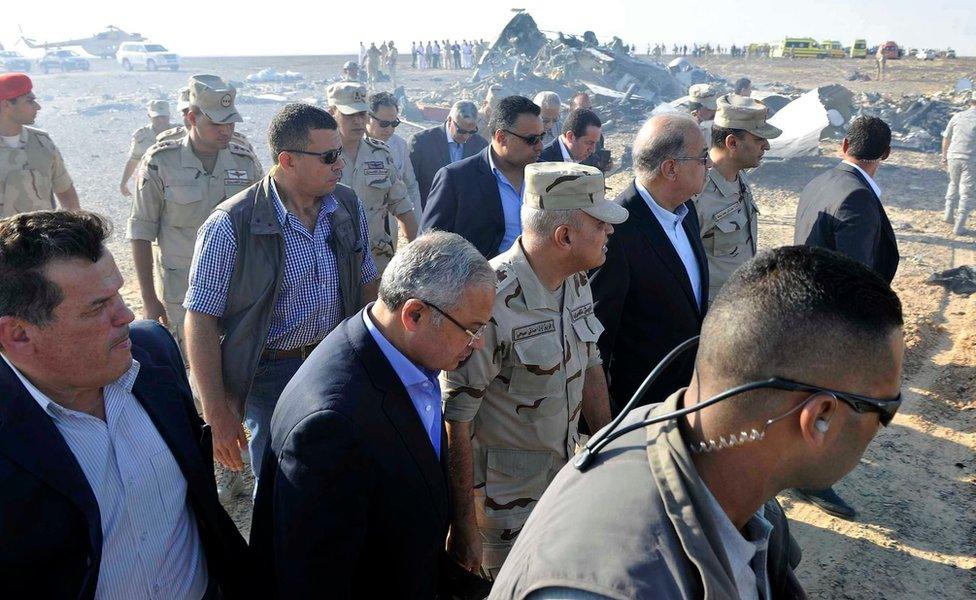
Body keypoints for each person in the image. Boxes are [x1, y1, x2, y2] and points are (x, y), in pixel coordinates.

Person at [490, 245, 905, 600]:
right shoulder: (612, 584)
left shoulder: (710, 461)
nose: (882, 427)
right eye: (884, 409)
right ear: (819, 417)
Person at [0, 210, 250, 599]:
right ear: (17, 335)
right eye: (97, 307)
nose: (126, 315)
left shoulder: (152, 352)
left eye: (118, 293)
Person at [250, 231, 496, 598]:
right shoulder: (330, 427)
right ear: (414, 314)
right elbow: (318, 582)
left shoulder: (405, 358)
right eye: (471, 330)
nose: (476, 344)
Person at [184, 103, 377, 503]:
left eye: (339, 152)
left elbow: (366, 281)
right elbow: (200, 319)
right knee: (279, 483)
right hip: (270, 373)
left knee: (340, 470)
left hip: (335, 359)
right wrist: (217, 411)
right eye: (328, 157)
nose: (340, 164)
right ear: (287, 161)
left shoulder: (346, 205)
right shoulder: (230, 224)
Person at [443, 163, 625, 580]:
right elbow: (456, 421)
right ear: (564, 237)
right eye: (600, 224)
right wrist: (464, 526)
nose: (609, 232)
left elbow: (591, 360)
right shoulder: (489, 298)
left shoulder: (576, 278)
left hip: (562, 483)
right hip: (501, 509)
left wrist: (606, 439)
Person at [793, 115, 897, 519]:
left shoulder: (821, 181)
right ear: (885, 154)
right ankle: (813, 479)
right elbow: (857, 277)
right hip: (833, 323)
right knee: (831, 403)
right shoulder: (857, 197)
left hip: (807, 309)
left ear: (844, 146)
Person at [127, 74, 261, 358]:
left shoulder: (244, 161)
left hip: (236, 288)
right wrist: (150, 298)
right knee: (191, 367)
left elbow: (263, 223)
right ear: (191, 118)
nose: (226, 130)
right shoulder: (160, 161)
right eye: (216, 123)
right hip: (182, 292)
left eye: (231, 122)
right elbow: (141, 231)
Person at [591, 113, 710, 415]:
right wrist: (603, 426)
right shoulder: (617, 229)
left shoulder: (687, 212)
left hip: (686, 397)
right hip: (639, 410)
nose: (708, 166)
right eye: (702, 158)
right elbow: (598, 338)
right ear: (671, 168)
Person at [421, 95, 544, 259]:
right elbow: (427, 248)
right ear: (501, 137)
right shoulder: (456, 179)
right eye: (532, 139)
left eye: (541, 137)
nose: (540, 146)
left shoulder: (544, 175)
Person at [694, 94, 781, 298]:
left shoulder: (739, 175)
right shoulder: (698, 193)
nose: (766, 146)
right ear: (732, 143)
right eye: (759, 139)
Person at [327, 82, 417, 273]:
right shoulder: (321, 157)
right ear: (332, 112)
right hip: (332, 260)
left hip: (376, 260)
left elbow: (402, 207)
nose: (358, 121)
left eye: (362, 114)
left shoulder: (381, 154)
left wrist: (416, 255)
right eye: (350, 115)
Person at [0, 73, 80, 216]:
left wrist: (76, 232)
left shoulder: (42, 142)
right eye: (29, 101)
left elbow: (66, 192)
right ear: (7, 104)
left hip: (40, 236)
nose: (38, 107)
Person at [409, 100, 488, 207]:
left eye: (471, 132)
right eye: (461, 131)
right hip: (430, 210)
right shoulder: (422, 142)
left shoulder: (480, 145)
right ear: (450, 120)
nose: (466, 137)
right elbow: (410, 183)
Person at [366, 91, 421, 217]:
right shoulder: (353, 145)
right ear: (367, 118)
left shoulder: (400, 145)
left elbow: (411, 186)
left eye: (394, 123)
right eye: (384, 124)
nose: (389, 129)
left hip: (390, 223)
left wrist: (417, 223)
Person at [120, 100, 172, 197]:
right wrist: (123, 183)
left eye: (163, 117)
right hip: (150, 185)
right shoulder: (142, 136)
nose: (161, 120)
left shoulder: (181, 133)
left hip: (177, 185)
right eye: (157, 117)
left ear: (169, 115)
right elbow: (133, 160)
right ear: (149, 116)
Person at [941, 94, 976, 234]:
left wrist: (944, 156)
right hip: (971, 158)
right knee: (967, 192)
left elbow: (946, 137)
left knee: (953, 183)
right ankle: (959, 226)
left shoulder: (958, 116)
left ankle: (948, 215)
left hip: (953, 156)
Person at [538, 108, 602, 163]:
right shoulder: (542, 161)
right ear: (570, 137)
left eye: (595, 143)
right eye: (589, 142)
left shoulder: (586, 159)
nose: (593, 150)